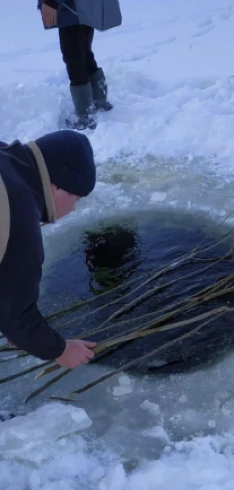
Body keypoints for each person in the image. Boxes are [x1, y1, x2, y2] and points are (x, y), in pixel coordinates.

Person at [0, 130, 98, 370]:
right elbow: (15, 314)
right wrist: (60, 350)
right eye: (75, 197)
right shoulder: (17, 210)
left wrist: (17, 326)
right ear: (56, 186)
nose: (74, 208)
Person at [39, 0, 123, 131]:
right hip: (83, 6)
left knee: (74, 57)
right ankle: (99, 101)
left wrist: (50, 3)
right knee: (83, 52)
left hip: (69, 7)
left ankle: (84, 116)